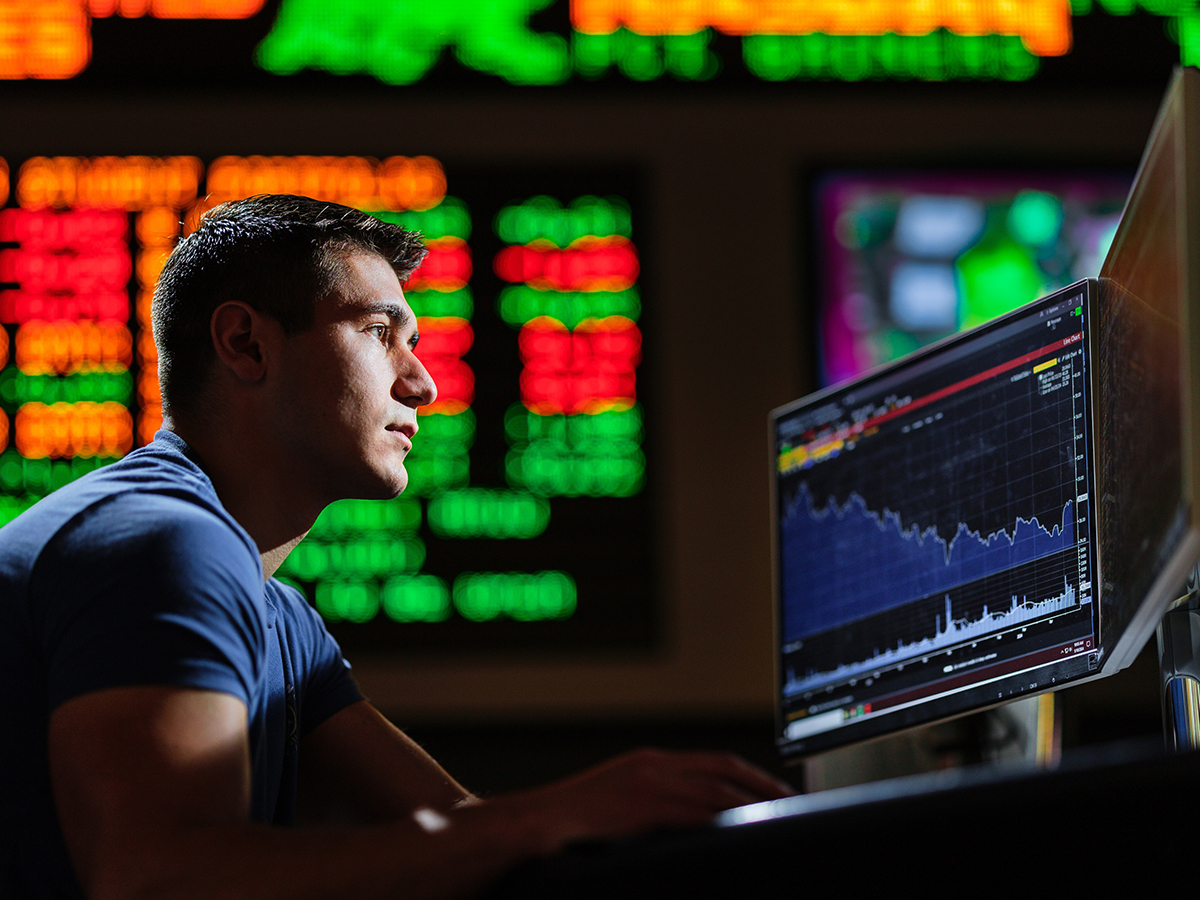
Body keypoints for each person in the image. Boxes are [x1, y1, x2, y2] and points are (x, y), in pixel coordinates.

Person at [0, 195, 791, 899]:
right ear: (246, 344)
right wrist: (548, 814)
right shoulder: (162, 546)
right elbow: (160, 882)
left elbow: (462, 838)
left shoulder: (276, 613)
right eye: (381, 332)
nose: (424, 385)